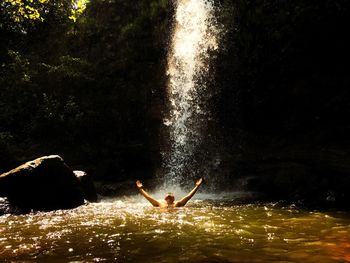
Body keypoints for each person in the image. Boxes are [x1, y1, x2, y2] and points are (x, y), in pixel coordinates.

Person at [135, 178, 203, 208]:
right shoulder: (159, 203)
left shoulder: (178, 203)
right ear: (164, 198)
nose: (170, 194)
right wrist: (140, 189)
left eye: (171, 194)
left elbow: (188, 197)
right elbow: (148, 197)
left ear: (174, 199)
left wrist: (197, 186)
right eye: (168, 194)